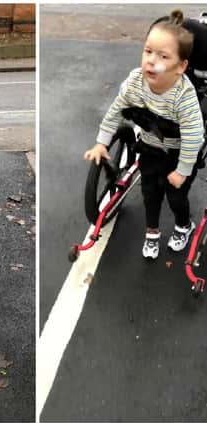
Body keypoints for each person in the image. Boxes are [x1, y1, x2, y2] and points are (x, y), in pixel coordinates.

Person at [84, 9, 205, 259]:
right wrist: (101, 143)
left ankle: (184, 226)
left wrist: (182, 171)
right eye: (147, 51)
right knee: (150, 193)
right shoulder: (135, 82)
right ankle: (152, 232)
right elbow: (116, 110)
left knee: (175, 197)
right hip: (150, 147)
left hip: (179, 153)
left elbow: (194, 137)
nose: (151, 60)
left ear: (181, 66)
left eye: (162, 56)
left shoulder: (184, 97)